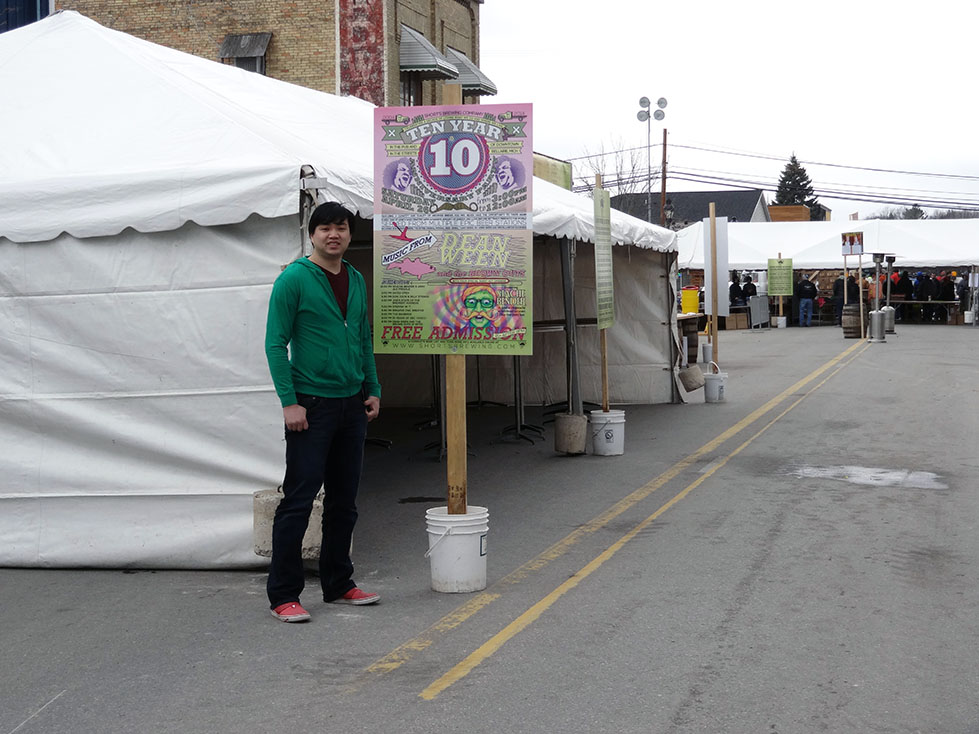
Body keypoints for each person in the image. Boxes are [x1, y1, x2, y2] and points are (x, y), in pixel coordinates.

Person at [264, 202, 382, 623]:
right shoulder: (293, 279)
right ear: (312, 235)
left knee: (344, 501)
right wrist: (289, 401)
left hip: (352, 403)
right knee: (298, 500)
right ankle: (283, 595)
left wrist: (372, 388)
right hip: (311, 404)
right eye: (326, 228)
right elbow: (275, 344)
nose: (334, 235)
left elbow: (363, 338)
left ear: (350, 234)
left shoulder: (355, 278)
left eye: (342, 228)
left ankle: (339, 583)